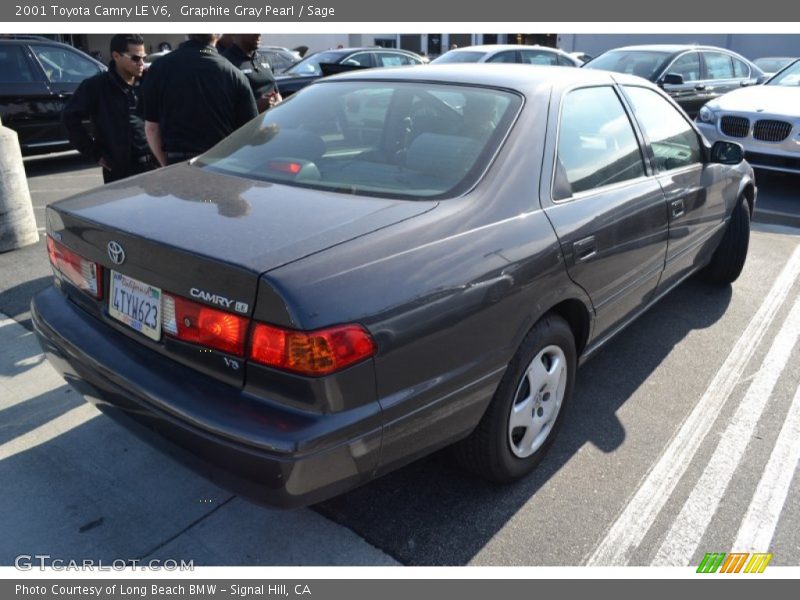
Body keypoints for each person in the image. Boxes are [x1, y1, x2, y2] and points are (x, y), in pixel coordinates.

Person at [141, 34, 257, 166]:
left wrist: (165, 164)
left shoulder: (159, 67)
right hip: (221, 163)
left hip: (177, 164)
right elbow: (249, 132)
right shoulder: (234, 74)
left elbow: (151, 128)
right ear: (219, 35)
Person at [62, 34, 155, 184]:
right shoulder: (96, 86)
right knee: (124, 208)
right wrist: (94, 153)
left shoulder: (150, 80)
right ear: (116, 56)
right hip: (120, 170)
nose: (141, 63)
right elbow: (69, 117)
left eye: (144, 58)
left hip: (154, 165)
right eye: (136, 58)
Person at [222, 34, 282, 113]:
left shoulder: (264, 59)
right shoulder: (225, 63)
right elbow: (224, 108)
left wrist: (279, 101)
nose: (259, 34)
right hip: (249, 123)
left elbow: (276, 91)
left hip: (272, 120)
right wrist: (255, 107)